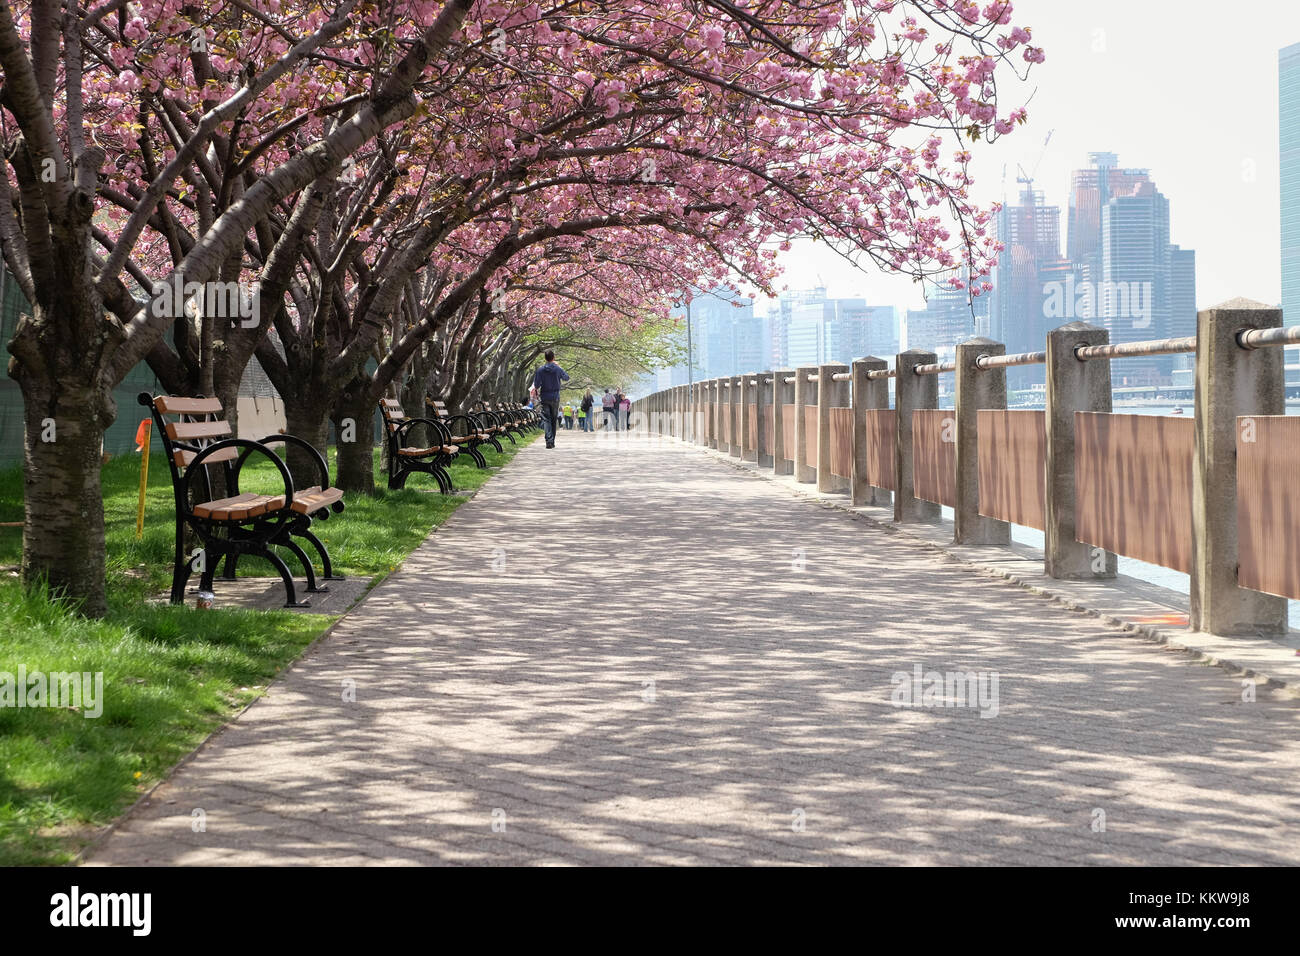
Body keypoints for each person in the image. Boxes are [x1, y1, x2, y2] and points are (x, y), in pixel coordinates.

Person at [531, 350, 569, 449]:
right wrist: (559, 368)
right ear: (553, 358)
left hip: (544, 397)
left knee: (547, 419)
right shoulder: (557, 369)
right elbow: (566, 378)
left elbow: (537, 385)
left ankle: (549, 440)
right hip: (555, 397)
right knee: (553, 419)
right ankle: (552, 441)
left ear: (545, 358)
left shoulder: (540, 370)